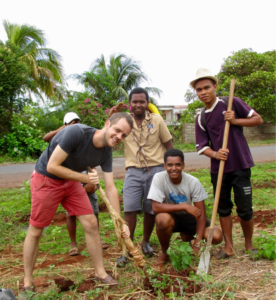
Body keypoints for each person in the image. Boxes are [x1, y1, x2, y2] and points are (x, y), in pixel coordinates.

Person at [21, 112, 133, 293]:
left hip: (71, 180)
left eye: (124, 135)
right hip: (47, 179)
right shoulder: (76, 133)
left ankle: (100, 273)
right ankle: (27, 282)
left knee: (90, 223)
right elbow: (52, 166)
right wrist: (85, 178)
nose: (119, 137)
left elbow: (110, 187)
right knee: (36, 230)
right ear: (107, 123)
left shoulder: (106, 151)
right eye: (117, 130)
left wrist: (119, 222)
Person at [191, 68, 263, 259]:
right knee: (223, 208)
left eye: (207, 87)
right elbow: (201, 147)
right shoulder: (201, 117)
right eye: (199, 89)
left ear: (215, 86)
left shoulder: (230, 103)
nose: (203, 92)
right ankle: (229, 248)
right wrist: (215, 154)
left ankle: (249, 245)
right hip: (219, 170)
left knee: (245, 207)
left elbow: (258, 119)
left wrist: (235, 120)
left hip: (240, 164)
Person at [116, 87, 173, 266]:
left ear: (147, 103)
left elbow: (168, 144)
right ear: (130, 104)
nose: (138, 105)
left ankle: (145, 242)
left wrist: (172, 169)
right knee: (129, 210)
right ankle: (127, 248)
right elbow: (109, 134)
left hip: (156, 170)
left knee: (151, 209)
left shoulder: (156, 120)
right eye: (135, 102)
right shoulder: (124, 121)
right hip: (133, 171)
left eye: (142, 101)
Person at [43, 112, 108, 254]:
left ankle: (97, 238)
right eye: (72, 122)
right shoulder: (64, 134)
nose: (76, 125)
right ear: (66, 124)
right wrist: (63, 129)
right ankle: (74, 244)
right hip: (68, 176)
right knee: (70, 214)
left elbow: (92, 156)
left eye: (77, 121)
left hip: (85, 174)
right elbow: (46, 138)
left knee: (93, 209)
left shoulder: (83, 134)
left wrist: (91, 180)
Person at [148, 148, 223, 269]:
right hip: (172, 217)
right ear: (164, 166)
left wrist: (198, 242)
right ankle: (165, 253)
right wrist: (184, 205)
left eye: (178, 164)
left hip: (191, 218)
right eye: (170, 165)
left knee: (216, 236)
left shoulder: (193, 181)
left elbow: (201, 214)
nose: (174, 168)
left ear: (183, 165)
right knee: (161, 219)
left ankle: (188, 237)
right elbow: (156, 207)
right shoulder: (159, 178)